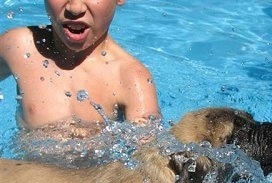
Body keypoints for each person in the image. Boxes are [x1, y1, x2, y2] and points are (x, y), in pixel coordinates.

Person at [0, 0, 160, 139]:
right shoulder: (18, 48)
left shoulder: (131, 78)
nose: (75, 8)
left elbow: (149, 158)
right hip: (22, 172)